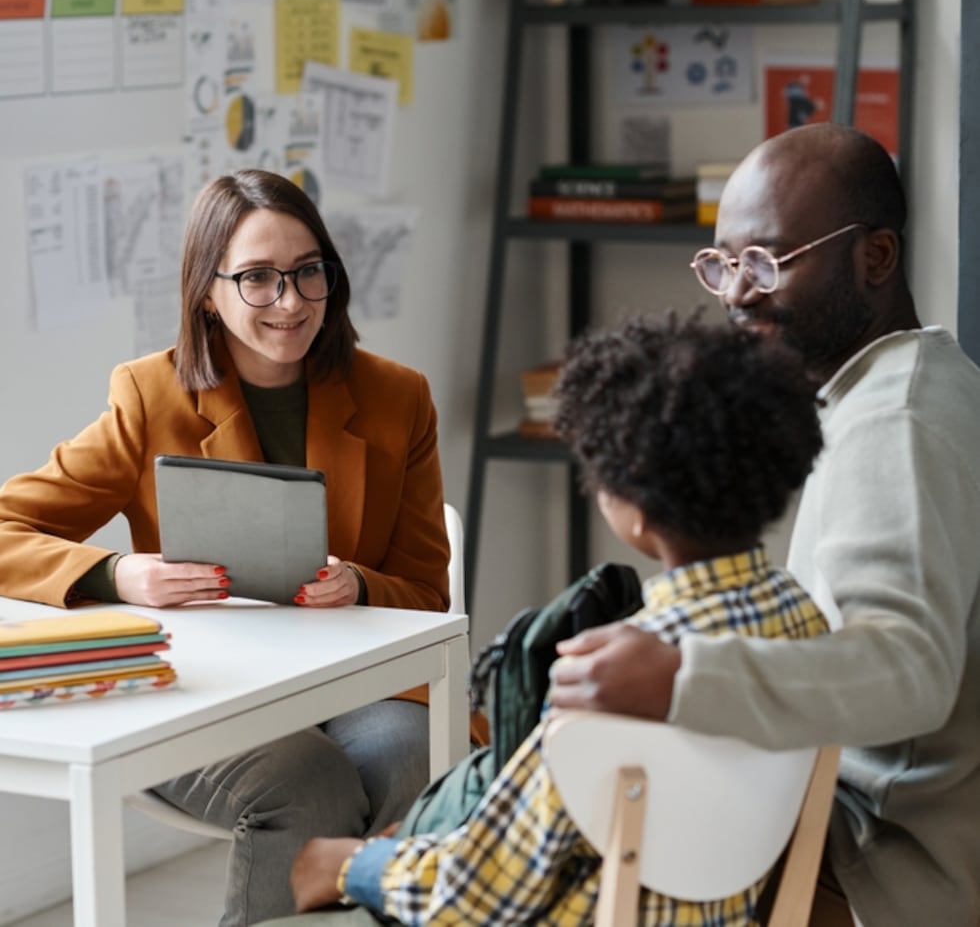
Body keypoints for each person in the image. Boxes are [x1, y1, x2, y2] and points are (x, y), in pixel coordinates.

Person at [0, 169, 479, 927]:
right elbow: (6, 528)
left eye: (308, 273)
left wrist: (359, 584)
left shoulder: (398, 398)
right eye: (257, 278)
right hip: (208, 691)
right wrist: (117, 573)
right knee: (304, 780)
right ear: (206, 292)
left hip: (359, 688)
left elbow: (425, 589)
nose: (289, 302)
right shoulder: (149, 396)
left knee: (408, 755)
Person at [255, 312, 831, 926]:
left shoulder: (616, 677)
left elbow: (475, 898)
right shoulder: (805, 627)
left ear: (631, 506)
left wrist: (349, 864)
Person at [549, 124, 980, 927]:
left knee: (564, 843)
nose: (737, 294)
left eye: (769, 261)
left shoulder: (898, 423)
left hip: (883, 866)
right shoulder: (901, 385)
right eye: (723, 263)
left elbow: (909, 669)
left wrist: (682, 675)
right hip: (843, 814)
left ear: (875, 259)